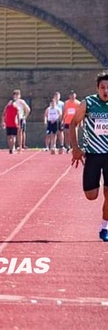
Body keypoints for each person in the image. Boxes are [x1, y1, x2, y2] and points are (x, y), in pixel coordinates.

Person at [70, 70, 108, 242]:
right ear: (97, 88)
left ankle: (104, 227)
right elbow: (73, 124)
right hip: (92, 155)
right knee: (91, 195)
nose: (106, 91)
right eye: (102, 87)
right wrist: (76, 148)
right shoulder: (88, 103)